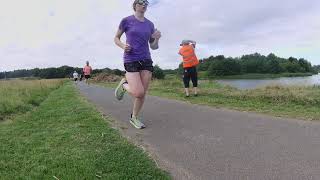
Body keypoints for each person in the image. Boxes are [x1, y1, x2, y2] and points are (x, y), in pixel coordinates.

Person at [114, 0, 161, 129]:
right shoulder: (126, 21)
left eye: (146, 3)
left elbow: (154, 47)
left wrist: (156, 38)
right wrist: (123, 45)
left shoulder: (150, 24)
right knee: (138, 92)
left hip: (146, 59)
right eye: (141, 2)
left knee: (143, 93)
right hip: (131, 59)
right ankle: (124, 85)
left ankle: (134, 117)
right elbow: (116, 38)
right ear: (135, 5)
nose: (144, 4)